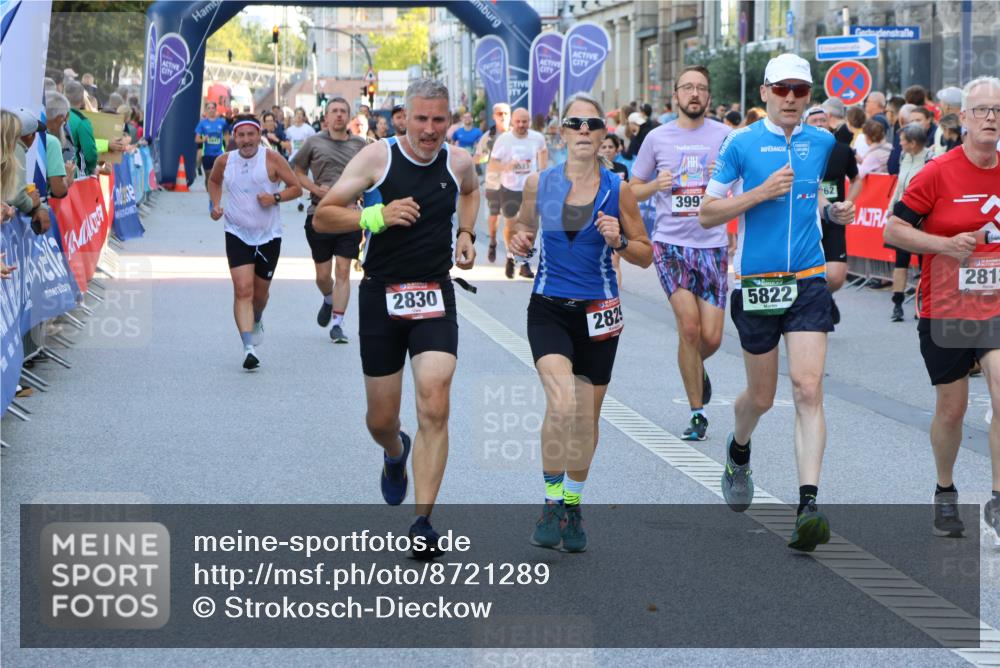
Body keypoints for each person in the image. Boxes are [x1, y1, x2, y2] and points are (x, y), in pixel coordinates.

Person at [312, 79, 479, 559]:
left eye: (439, 120)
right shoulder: (377, 159)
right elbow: (325, 216)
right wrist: (374, 217)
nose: (429, 130)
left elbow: (470, 193)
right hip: (381, 294)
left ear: (450, 119)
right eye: (421, 119)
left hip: (433, 293)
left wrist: (465, 234)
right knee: (381, 418)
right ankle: (394, 451)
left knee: (435, 398)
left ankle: (423, 520)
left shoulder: (459, 161)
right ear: (404, 117)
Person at [699, 53, 855, 552]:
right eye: (782, 89)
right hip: (757, 282)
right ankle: (739, 447)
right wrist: (759, 192)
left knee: (808, 389)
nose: (791, 98)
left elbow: (826, 199)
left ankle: (808, 504)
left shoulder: (824, 143)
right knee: (762, 398)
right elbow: (707, 212)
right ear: (764, 92)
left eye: (800, 91)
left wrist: (838, 211)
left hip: (807, 281)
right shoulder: (739, 144)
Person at [509, 93, 652, 552]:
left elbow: (646, 255)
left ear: (604, 134)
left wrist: (620, 241)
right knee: (563, 403)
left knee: (587, 419)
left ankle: (572, 503)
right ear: (563, 130)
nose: (584, 131)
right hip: (549, 306)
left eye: (593, 124)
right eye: (576, 123)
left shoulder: (619, 189)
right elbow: (522, 230)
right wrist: (520, 241)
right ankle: (551, 502)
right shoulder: (539, 183)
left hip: (599, 313)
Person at [882, 76, 1000, 541]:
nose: (991, 118)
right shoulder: (937, 172)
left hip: (995, 308)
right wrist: (944, 245)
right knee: (952, 409)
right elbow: (892, 230)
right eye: (983, 110)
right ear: (964, 119)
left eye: (999, 110)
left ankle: (997, 499)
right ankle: (945, 491)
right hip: (946, 307)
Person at [630, 65, 731, 441]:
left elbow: (745, 182)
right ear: (675, 95)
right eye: (687, 87)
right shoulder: (657, 138)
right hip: (670, 244)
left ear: (708, 97)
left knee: (713, 338)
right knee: (689, 328)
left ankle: (695, 367)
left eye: (701, 88)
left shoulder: (726, 136)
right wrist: (657, 183)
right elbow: (633, 190)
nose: (694, 93)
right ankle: (698, 412)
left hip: (713, 246)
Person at [207, 115, 303, 370]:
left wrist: (276, 197)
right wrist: (215, 205)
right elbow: (214, 181)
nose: (246, 140)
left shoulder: (271, 159)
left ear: (258, 135)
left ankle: (257, 317)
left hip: (269, 236)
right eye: (241, 135)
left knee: (259, 295)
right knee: (243, 290)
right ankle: (248, 347)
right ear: (234, 137)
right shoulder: (225, 161)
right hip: (236, 233)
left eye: (251, 135)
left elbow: (296, 187)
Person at [291, 97, 366, 343]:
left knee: (343, 270)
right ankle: (328, 298)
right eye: (334, 111)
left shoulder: (360, 144)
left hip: (350, 215)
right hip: (320, 213)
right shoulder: (314, 142)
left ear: (349, 116)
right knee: (323, 276)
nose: (339, 115)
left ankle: (337, 323)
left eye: (343, 111)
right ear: (326, 117)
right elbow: (297, 170)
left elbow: (373, 174)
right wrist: (314, 188)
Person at [804, 106, 861, 324]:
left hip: (834, 217)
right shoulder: (798, 150)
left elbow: (857, 180)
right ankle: (814, 302)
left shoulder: (842, 150)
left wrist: (848, 202)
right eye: (814, 120)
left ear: (829, 123)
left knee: (836, 276)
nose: (819, 123)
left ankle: (825, 295)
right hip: (806, 219)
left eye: (822, 120)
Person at [489, 107, 547, 279]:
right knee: (511, 226)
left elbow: (543, 150)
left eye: (525, 121)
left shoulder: (537, 137)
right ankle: (510, 254)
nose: (521, 125)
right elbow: (493, 164)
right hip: (509, 188)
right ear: (512, 121)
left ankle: (524, 262)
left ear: (529, 121)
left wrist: (543, 172)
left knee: (529, 227)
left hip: (530, 189)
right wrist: (506, 167)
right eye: (518, 122)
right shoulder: (504, 140)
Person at [886, 123, 932, 322]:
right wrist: (890, 208)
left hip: (923, 216)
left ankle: (922, 305)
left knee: (924, 264)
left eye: (903, 140)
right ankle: (897, 305)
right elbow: (899, 184)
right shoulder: (905, 156)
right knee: (901, 260)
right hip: (903, 212)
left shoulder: (931, 159)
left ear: (913, 143)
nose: (900, 143)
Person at [5, 108, 51, 235]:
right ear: (31, 136)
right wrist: (32, 204)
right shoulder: (16, 148)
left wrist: (37, 206)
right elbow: (15, 195)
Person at [475, 103, 511, 263]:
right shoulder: (488, 136)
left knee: (511, 218)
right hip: (493, 182)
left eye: (506, 113)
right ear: (494, 116)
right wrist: (486, 156)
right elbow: (478, 158)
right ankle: (492, 241)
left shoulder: (517, 134)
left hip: (513, 183)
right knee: (494, 216)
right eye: (499, 114)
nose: (503, 116)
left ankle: (511, 253)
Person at [43, 92, 73, 198]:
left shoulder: (24, 132)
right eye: (64, 120)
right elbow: (59, 190)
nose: (64, 124)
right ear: (59, 118)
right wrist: (68, 179)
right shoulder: (52, 142)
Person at [195, 102, 229, 190]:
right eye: (209, 108)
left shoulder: (221, 122)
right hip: (207, 153)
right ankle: (209, 192)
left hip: (219, 153)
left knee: (217, 176)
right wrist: (203, 139)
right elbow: (196, 139)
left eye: (212, 108)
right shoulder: (202, 124)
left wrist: (227, 142)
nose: (211, 110)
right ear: (206, 110)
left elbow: (226, 133)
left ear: (215, 109)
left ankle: (215, 193)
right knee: (208, 176)